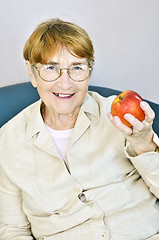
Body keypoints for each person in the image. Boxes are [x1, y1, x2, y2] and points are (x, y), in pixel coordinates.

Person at [0, 18, 159, 240]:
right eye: (51, 68)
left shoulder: (119, 116)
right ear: (31, 72)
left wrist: (144, 143)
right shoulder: (7, 141)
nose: (65, 83)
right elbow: (13, 231)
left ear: (89, 71)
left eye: (76, 67)